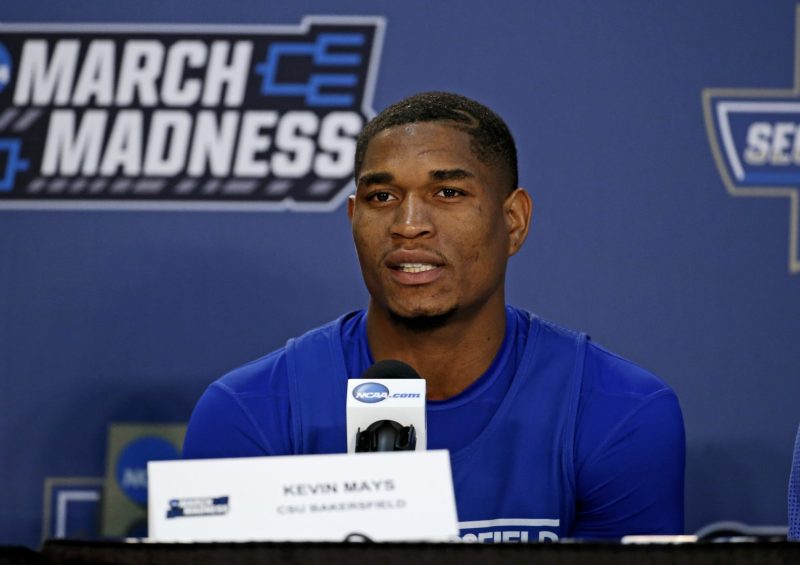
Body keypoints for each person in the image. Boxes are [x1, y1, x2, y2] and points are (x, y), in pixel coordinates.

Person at [183, 91, 685, 542]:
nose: (408, 225)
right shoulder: (247, 412)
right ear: (354, 219)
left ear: (513, 221)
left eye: (448, 193)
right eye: (382, 197)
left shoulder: (618, 411)